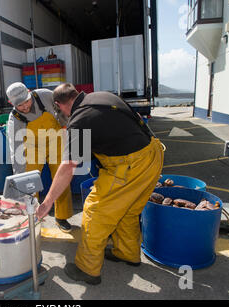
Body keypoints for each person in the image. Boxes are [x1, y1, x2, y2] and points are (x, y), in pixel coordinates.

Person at [36, 83, 164, 285]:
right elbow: (136, 120)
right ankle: (127, 253)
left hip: (128, 166)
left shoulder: (78, 120)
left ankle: (87, 269)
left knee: (95, 212)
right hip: (153, 154)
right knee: (128, 210)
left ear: (60, 105)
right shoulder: (103, 96)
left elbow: (69, 166)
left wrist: (48, 201)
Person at [6, 82, 73, 232]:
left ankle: (61, 216)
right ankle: (31, 215)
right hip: (32, 147)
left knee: (61, 176)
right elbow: (16, 151)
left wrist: (66, 124)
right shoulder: (14, 120)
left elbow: (63, 108)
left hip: (55, 138)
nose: (25, 106)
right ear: (11, 103)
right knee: (29, 181)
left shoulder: (45, 95)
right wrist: (19, 177)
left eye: (27, 101)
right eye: (20, 105)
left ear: (30, 93)